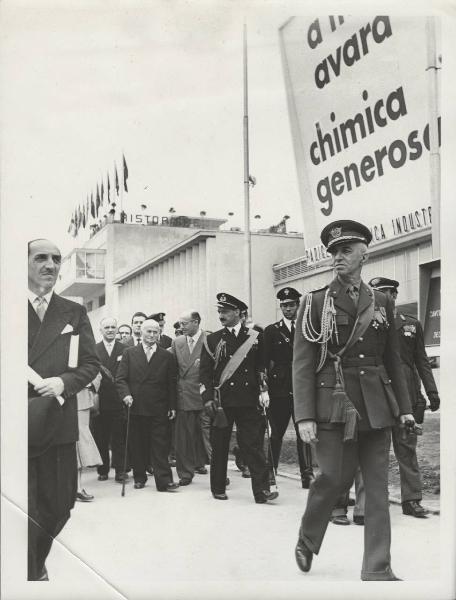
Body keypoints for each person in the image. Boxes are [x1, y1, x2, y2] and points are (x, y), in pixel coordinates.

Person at [292, 220, 413, 581]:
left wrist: (405, 408)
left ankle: (377, 566)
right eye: (334, 252)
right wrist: (305, 417)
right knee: (331, 477)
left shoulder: (383, 302)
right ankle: (308, 537)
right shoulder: (315, 302)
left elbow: (395, 360)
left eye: (346, 251)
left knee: (376, 487)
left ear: (364, 254)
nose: (337, 258)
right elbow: (302, 364)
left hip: (376, 404)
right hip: (333, 404)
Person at [28, 239, 99, 581]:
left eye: (56, 259)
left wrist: (63, 383)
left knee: (59, 506)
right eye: (40, 258)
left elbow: (90, 364)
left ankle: (33, 560)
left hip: (57, 423)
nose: (50, 265)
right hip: (15, 424)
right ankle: (27, 571)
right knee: (19, 508)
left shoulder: (73, 312)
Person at [368, 277, 440, 517]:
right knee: (375, 451)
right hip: (378, 395)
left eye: (391, 292)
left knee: (407, 449)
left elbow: (422, 360)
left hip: (407, 396)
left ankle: (412, 500)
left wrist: (432, 391)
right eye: (381, 292)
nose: (387, 296)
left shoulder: (411, 324)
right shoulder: (367, 324)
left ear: (396, 296)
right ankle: (375, 500)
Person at [199, 292, 278, 504]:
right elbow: (205, 374)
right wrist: (207, 398)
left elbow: (261, 367)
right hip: (223, 401)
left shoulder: (255, 337)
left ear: (238, 313)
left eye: (225, 311)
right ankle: (217, 487)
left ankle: (262, 491)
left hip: (249, 400)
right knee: (220, 445)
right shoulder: (213, 339)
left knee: (252, 445)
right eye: (219, 311)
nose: (221, 315)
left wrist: (264, 391)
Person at [116, 319, 179, 491]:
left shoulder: (167, 356)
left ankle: (164, 481)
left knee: (160, 445)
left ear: (159, 333)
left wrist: (173, 406)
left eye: (155, 332)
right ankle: (139, 477)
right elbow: (120, 379)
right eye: (148, 331)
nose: (152, 335)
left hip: (159, 407)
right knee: (137, 444)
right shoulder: (129, 353)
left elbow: (171, 383)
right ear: (141, 332)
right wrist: (126, 395)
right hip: (136, 406)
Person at [263, 287, 314, 488]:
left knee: (305, 433)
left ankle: (307, 474)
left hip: (302, 388)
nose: (287, 309)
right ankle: (270, 472)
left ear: (298, 305)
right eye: (284, 305)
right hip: (279, 389)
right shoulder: (271, 331)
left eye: (291, 305)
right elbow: (264, 362)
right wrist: (264, 389)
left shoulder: (306, 328)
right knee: (276, 433)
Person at [170, 310, 208, 485]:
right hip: (184, 396)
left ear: (196, 322)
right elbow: (172, 369)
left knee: (209, 437)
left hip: (205, 395)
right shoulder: (177, 342)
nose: (181, 327)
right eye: (180, 323)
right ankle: (185, 473)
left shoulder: (210, 339)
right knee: (183, 438)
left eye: (184, 323)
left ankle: (218, 472)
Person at [93, 317, 129, 483]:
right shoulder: (93, 350)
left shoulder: (125, 349)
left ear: (117, 330)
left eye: (113, 327)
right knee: (101, 437)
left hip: (118, 400)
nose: (110, 330)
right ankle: (103, 469)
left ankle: (121, 470)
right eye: (106, 327)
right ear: (101, 330)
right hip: (100, 401)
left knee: (119, 438)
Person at [75, 378, 102, 501]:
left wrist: (86, 382)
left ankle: (77, 488)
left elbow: (97, 373)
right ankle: (74, 489)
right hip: (59, 399)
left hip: (81, 401)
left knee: (79, 441)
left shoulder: (87, 358)